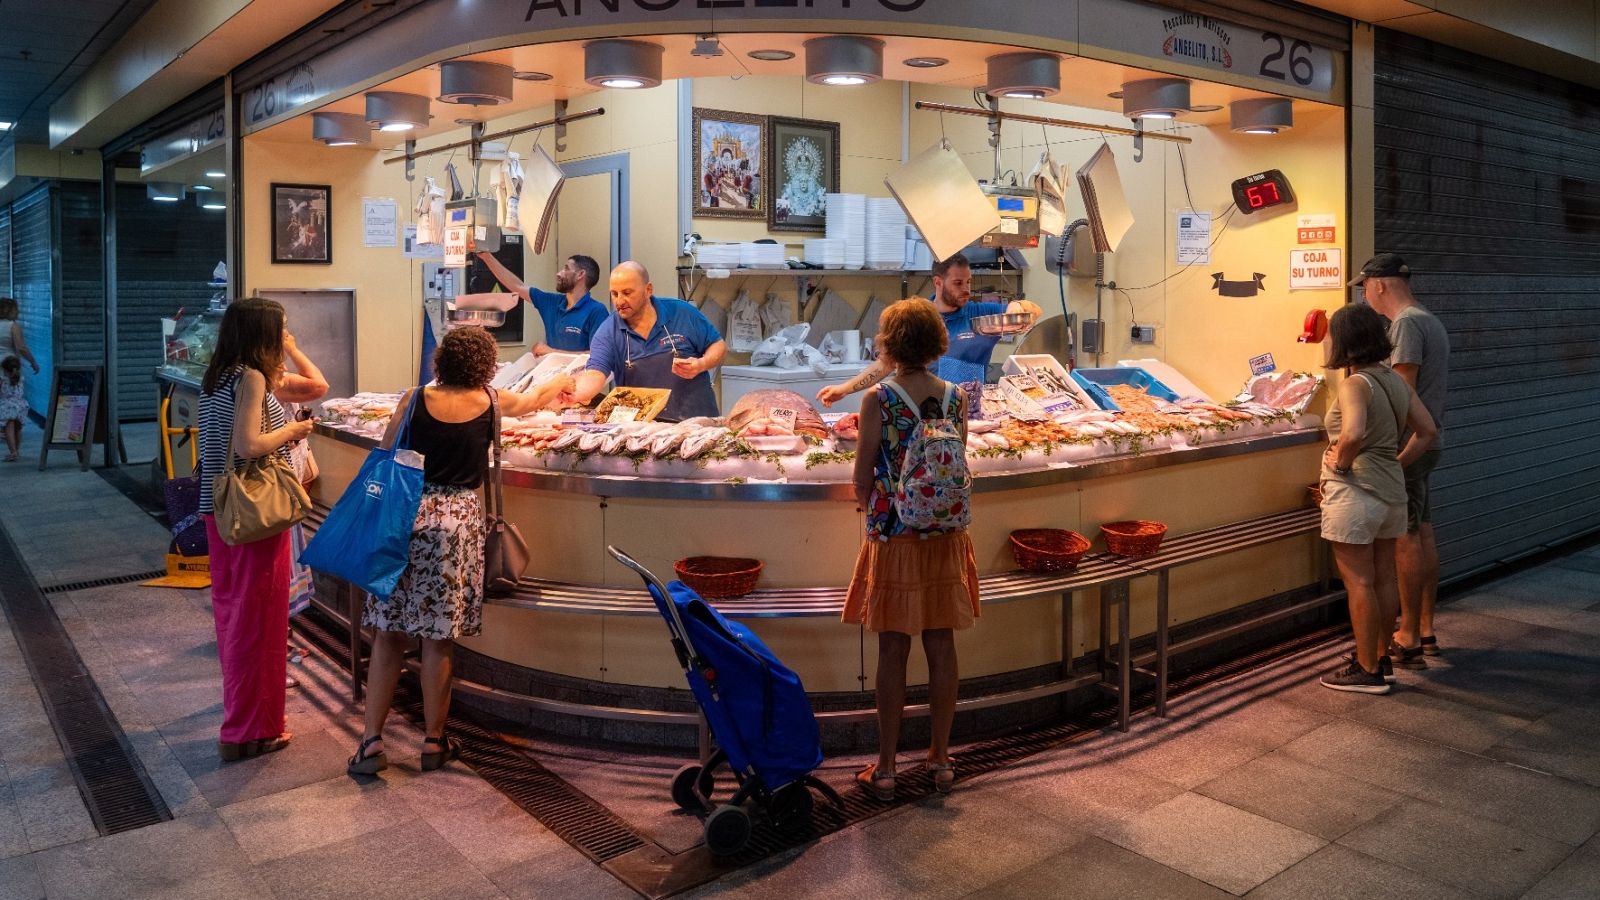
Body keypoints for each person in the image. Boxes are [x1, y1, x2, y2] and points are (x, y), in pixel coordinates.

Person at [348, 326, 575, 776]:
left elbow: (384, 451)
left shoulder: (413, 399)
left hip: (402, 516)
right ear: (486, 366)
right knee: (438, 639)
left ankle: (372, 741)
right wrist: (560, 382)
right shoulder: (492, 401)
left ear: (441, 361)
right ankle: (434, 741)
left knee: (389, 635)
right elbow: (530, 404)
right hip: (455, 525)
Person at [844, 299, 979, 799]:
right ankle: (941, 761)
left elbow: (861, 476)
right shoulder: (956, 396)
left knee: (893, 646)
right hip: (945, 534)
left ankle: (885, 768)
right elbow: (956, 460)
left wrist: (870, 503)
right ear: (936, 342)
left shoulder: (879, 398)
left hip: (896, 532)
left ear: (889, 343)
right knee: (942, 644)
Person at [198, 298, 324, 761]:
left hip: (221, 511)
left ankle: (245, 725)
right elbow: (250, 445)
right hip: (254, 514)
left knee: (235, 617)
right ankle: (249, 731)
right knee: (260, 623)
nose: (285, 334)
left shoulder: (218, 376)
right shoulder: (250, 378)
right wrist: (294, 432)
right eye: (281, 329)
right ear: (261, 334)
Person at [1318, 303, 1436, 695]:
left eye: (1331, 333)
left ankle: (1367, 669)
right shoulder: (1395, 380)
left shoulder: (1355, 384)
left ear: (1344, 340)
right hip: (1390, 495)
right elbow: (1427, 431)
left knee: (1359, 582)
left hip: (1356, 495)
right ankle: (1381, 658)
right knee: (1384, 578)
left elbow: (1351, 433)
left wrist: (1343, 462)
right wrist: (1396, 465)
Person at [1350, 254, 1451, 665]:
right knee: (1422, 531)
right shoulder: (1428, 317)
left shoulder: (1406, 323)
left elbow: (1400, 392)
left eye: (1365, 288)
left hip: (1409, 444)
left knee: (1405, 538)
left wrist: (1384, 451)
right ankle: (1425, 629)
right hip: (1428, 441)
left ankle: (1407, 634)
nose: (1365, 296)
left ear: (1379, 285)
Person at [816, 253, 1043, 406]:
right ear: (938, 282)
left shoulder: (979, 314)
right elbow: (886, 363)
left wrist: (1017, 309)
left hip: (970, 412)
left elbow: (1031, 308)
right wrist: (845, 388)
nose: (966, 289)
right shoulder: (919, 317)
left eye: (969, 282)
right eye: (958, 283)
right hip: (920, 411)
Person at [572, 261, 727, 422]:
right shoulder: (607, 332)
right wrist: (575, 394)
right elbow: (595, 374)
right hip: (645, 431)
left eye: (627, 293)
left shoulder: (682, 312)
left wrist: (701, 364)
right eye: (614, 294)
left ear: (648, 290)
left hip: (699, 425)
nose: (619, 301)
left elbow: (718, 346)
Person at [474, 250, 609, 353]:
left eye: (566, 268)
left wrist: (551, 352)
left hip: (579, 384)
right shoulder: (552, 302)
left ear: (580, 274)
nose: (559, 273)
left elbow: (595, 356)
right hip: (551, 380)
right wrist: (487, 257)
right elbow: (517, 286)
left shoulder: (597, 311)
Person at [0, 356, 25, 462]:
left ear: (5, 370)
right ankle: (17, 451)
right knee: (17, 429)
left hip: (7, 407)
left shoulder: (3, 381)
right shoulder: (21, 379)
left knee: (8, 429)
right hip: (20, 406)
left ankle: (13, 452)